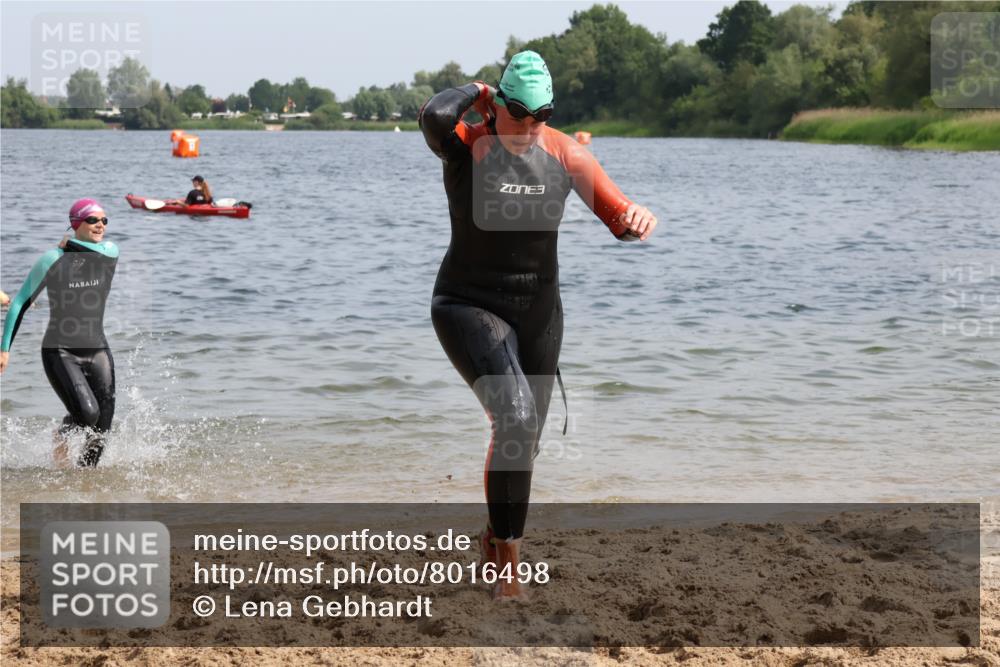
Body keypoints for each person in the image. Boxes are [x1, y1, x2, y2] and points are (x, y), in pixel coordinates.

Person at [419, 51, 658, 599]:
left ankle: (492, 539)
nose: (527, 131)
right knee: (518, 420)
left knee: (524, 441)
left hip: (540, 314)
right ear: (496, 106)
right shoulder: (466, 144)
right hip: (466, 302)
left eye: (539, 120)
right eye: (517, 118)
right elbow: (433, 115)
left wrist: (637, 220)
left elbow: (619, 218)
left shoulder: (567, 156)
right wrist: (477, 89)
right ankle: (509, 575)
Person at [0, 199, 119, 467]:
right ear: (76, 223)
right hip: (60, 350)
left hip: (97, 349)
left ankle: (83, 481)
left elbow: (93, 254)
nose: (100, 224)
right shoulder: (51, 260)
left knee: (102, 430)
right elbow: (20, 302)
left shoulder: (110, 251)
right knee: (87, 414)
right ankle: (61, 434)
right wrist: (4, 349)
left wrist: (69, 244)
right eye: (92, 220)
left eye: (104, 220)